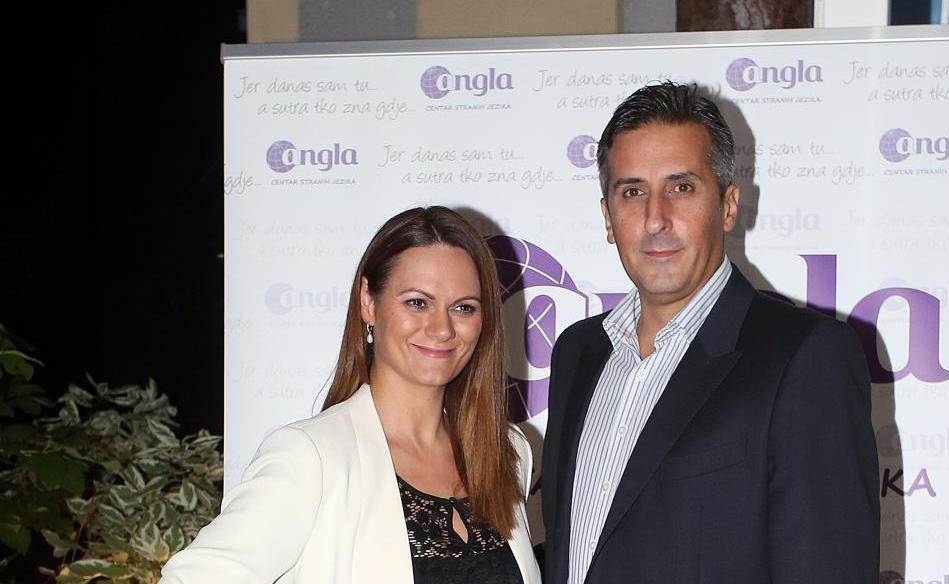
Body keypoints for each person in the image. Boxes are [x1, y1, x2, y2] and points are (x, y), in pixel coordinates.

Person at [540, 82, 879, 583]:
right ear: (608, 217)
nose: (656, 219)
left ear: (728, 205)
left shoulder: (804, 357)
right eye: (632, 192)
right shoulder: (578, 352)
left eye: (681, 188)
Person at [161, 207, 541, 584]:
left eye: (463, 308)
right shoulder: (312, 457)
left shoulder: (507, 451)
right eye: (417, 302)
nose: (441, 328)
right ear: (368, 302)